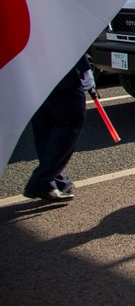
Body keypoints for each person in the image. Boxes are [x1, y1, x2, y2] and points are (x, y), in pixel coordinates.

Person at [22, 55, 94, 203]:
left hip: (32, 71)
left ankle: (54, 180)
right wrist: (85, 68)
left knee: (45, 126)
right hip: (60, 72)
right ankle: (42, 180)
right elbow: (67, 39)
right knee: (69, 123)